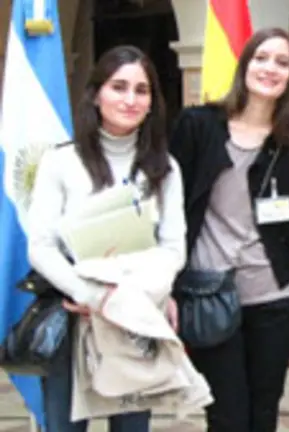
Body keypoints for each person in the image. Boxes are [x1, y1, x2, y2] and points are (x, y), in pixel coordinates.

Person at [27, 45, 186, 431]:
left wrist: (143, 293)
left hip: (134, 321)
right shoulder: (61, 161)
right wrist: (92, 296)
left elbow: (172, 247)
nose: (130, 99)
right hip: (73, 317)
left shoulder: (164, 168)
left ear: (152, 102)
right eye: (119, 87)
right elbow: (41, 246)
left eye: (141, 90)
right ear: (96, 94)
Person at [168, 27, 289, 432]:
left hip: (276, 299)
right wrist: (170, 291)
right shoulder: (199, 126)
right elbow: (171, 209)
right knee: (227, 415)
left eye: (282, 63)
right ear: (244, 64)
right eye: (262, 58)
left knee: (264, 412)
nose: (270, 68)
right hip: (208, 295)